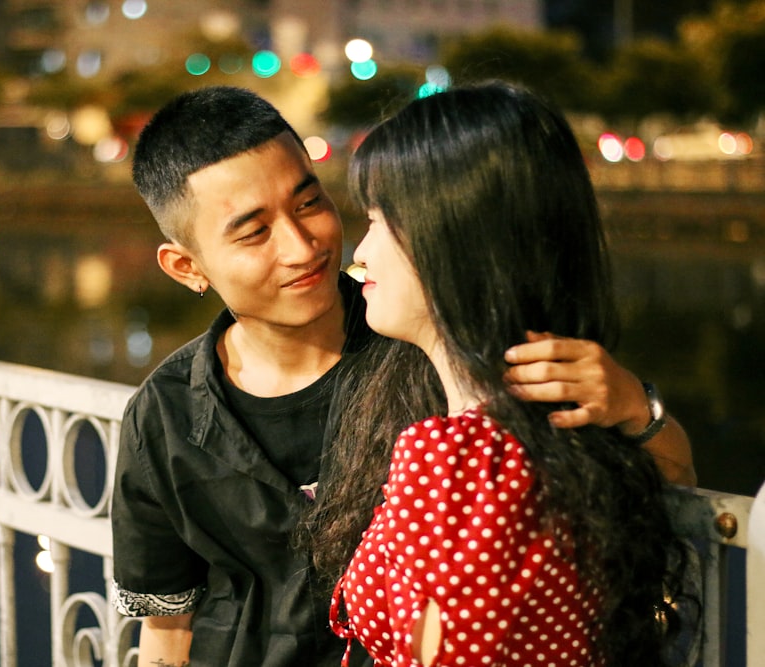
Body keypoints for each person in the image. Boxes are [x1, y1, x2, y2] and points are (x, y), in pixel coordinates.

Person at [110, 85, 694, 666]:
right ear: (187, 267)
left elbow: (657, 493)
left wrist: (635, 408)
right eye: (254, 232)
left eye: (310, 203)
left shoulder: (428, 337)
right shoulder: (164, 414)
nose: (303, 246)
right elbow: (168, 629)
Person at [313, 82, 690, 666]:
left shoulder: (457, 460)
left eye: (379, 221)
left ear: (452, 241)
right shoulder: (551, 440)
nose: (358, 251)